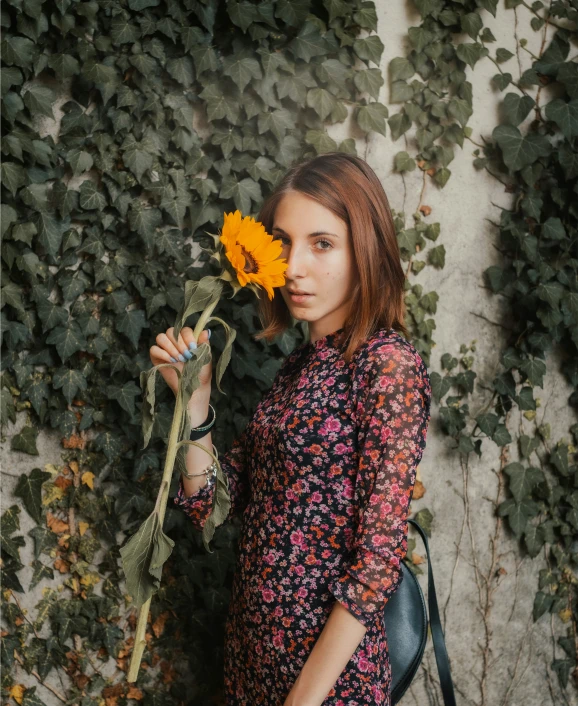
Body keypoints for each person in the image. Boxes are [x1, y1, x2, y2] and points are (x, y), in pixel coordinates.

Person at [149, 152, 432, 706]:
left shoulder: (386, 364)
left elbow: (376, 561)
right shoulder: (299, 369)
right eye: (283, 241)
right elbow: (211, 504)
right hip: (253, 661)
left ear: (365, 248)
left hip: (325, 684)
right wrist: (196, 400)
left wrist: (301, 702)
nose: (293, 265)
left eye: (322, 243)